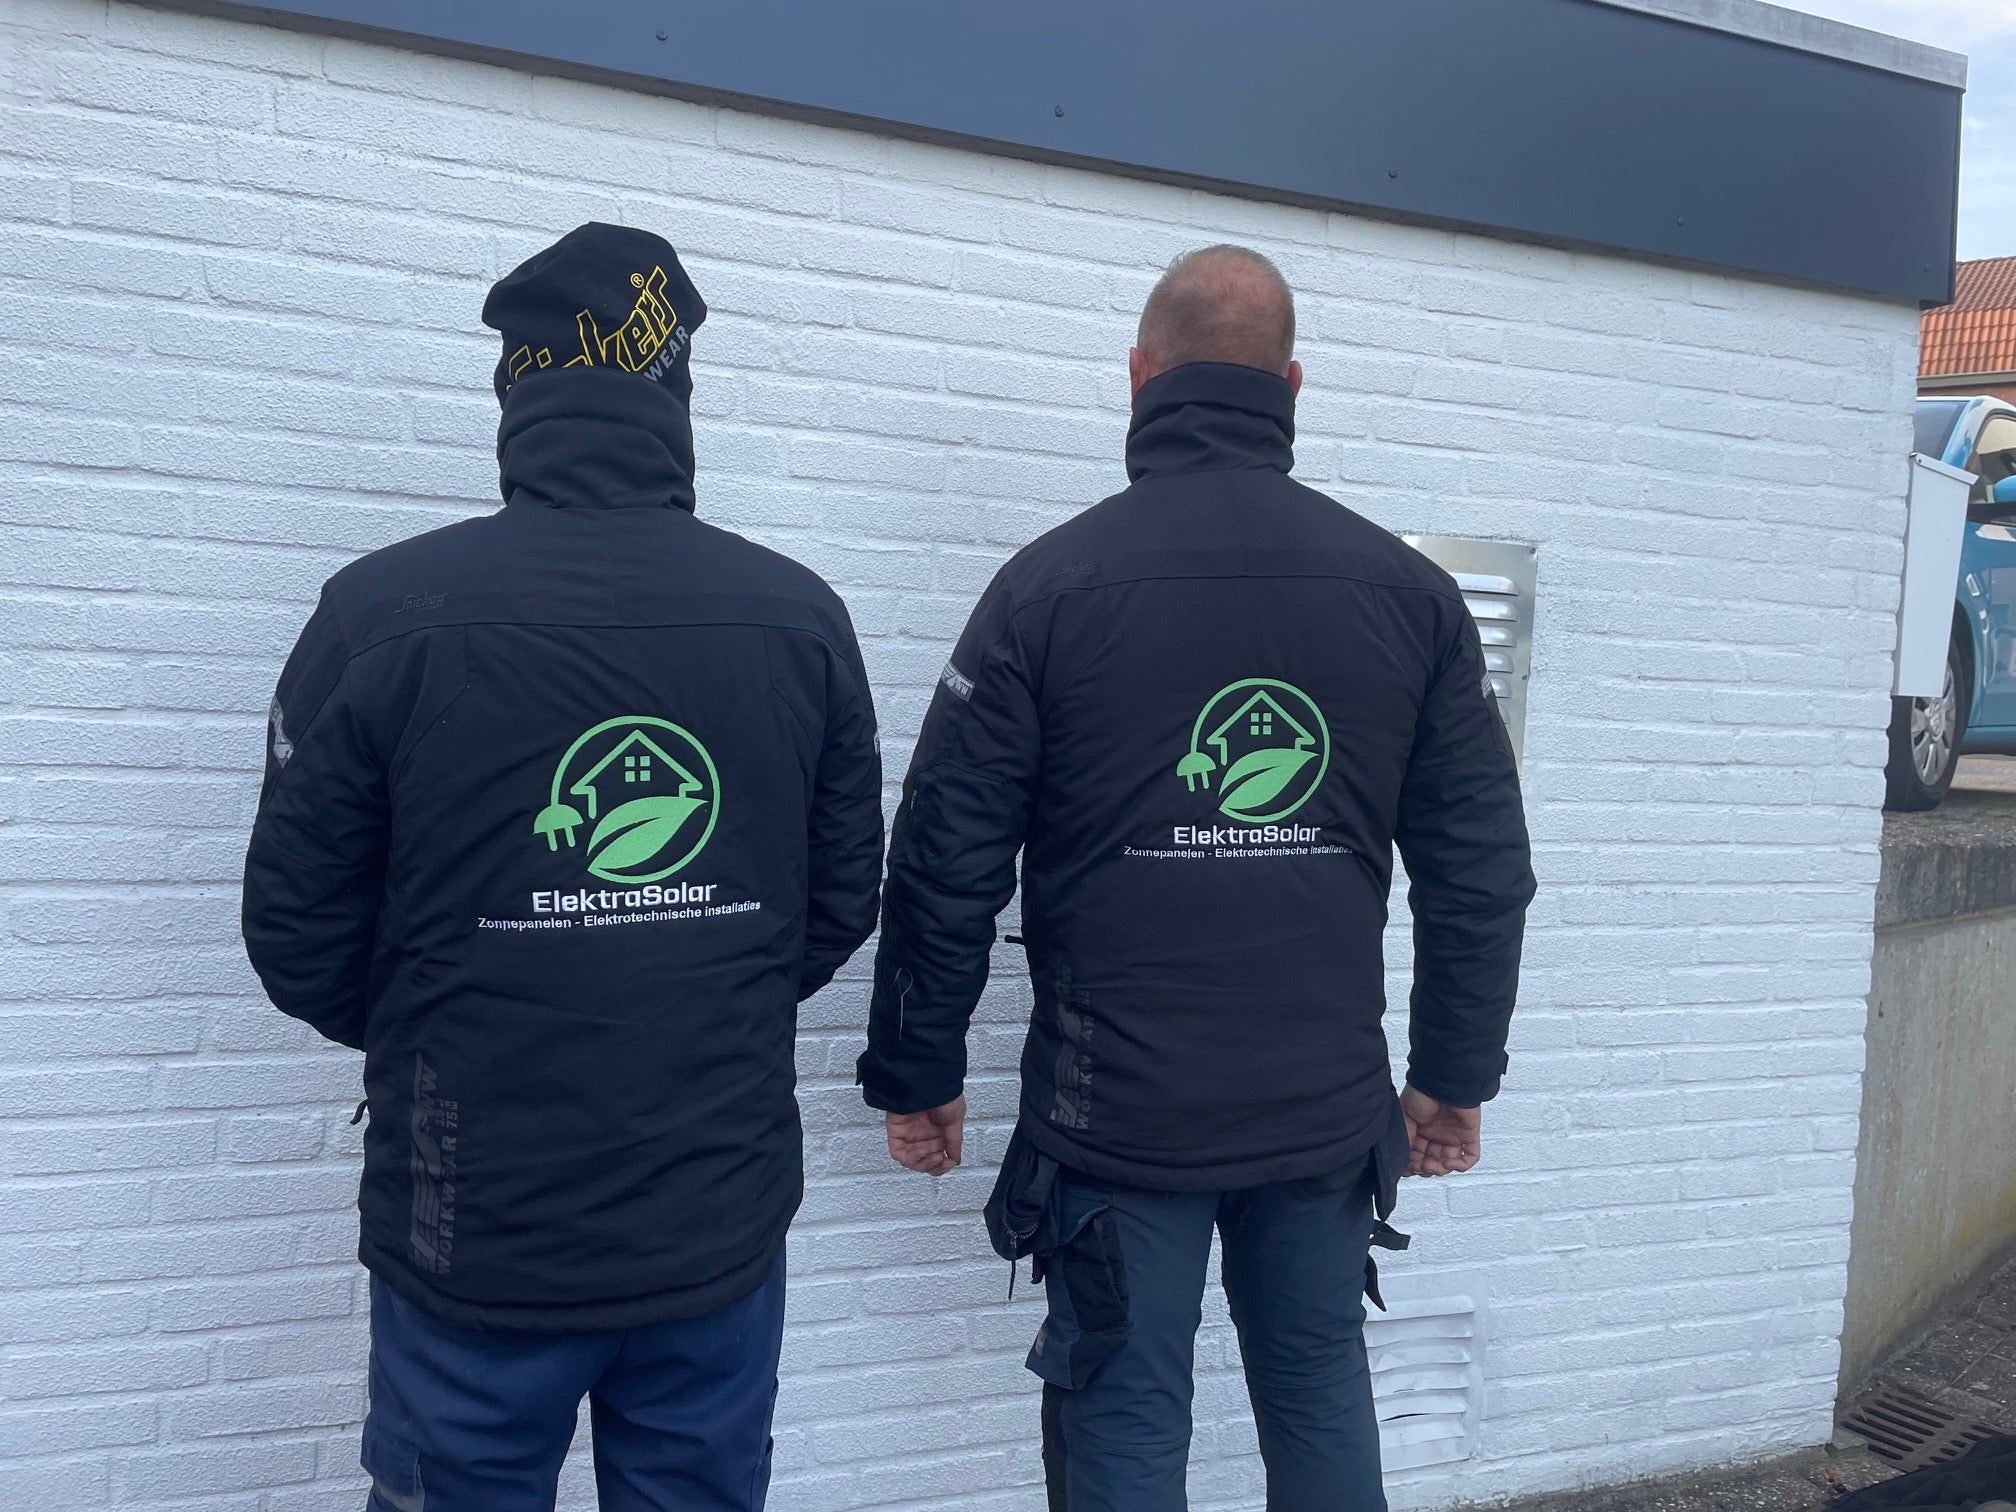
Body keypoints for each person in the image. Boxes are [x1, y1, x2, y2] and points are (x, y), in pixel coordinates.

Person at [858, 245, 1535, 1511]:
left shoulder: (1048, 589)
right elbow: (1481, 870)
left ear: (1138, 377)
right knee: (1318, 1392)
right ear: (1292, 385)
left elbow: (945, 857)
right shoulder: (1411, 597)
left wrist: (918, 1069)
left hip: (1120, 1115)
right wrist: (1452, 1076)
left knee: (1124, 1404)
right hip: (1320, 1114)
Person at [242, 223, 884, 1512]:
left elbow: (298, 933)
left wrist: (450, 1017)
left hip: (475, 1222)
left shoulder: (382, 615)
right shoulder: (797, 617)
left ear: (515, 395)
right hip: (712, 1215)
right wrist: (688, 984)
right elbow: (830, 912)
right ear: (676, 390)